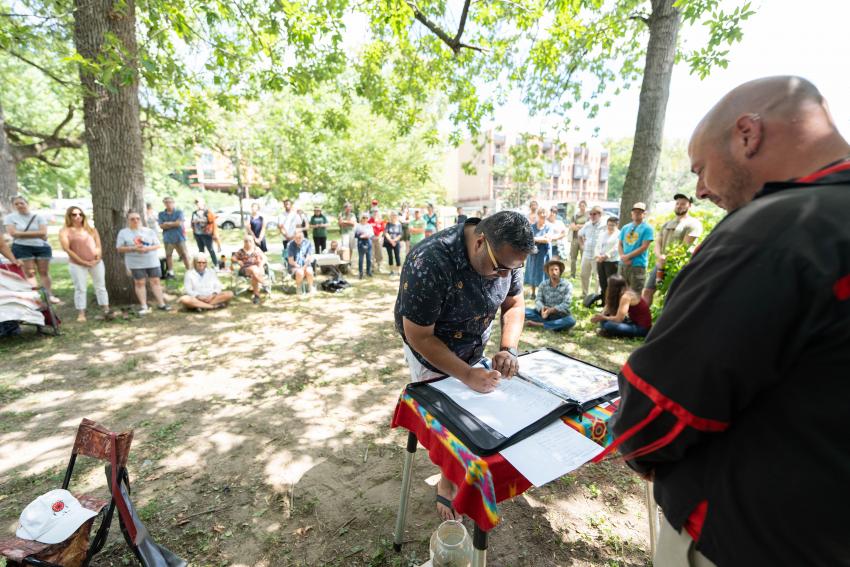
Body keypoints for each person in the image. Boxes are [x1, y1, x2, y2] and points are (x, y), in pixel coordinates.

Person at [608, 76, 850, 567]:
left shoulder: (776, 229)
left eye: (700, 169)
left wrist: (633, 443)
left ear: (747, 134)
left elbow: (658, 408)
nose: (699, 190)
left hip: (743, 536)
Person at [395, 211, 533, 521]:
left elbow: (514, 303)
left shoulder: (507, 255)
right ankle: (448, 481)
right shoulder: (430, 260)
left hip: (473, 340)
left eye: (512, 269)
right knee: (451, 424)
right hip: (431, 347)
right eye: (499, 267)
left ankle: (454, 474)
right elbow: (419, 334)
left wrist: (508, 348)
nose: (504, 275)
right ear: (481, 242)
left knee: (475, 416)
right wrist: (467, 373)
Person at [642, 193, 703, 304]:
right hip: (660, 263)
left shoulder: (693, 224)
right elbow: (658, 242)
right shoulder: (667, 224)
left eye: (683, 204)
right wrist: (659, 257)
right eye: (677, 203)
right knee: (647, 290)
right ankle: (644, 320)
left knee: (671, 296)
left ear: (689, 206)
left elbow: (685, 247)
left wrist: (666, 259)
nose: (679, 206)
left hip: (678, 265)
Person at [58, 206, 111, 322]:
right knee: (80, 288)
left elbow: (98, 245)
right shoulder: (65, 231)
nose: (78, 217)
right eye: (74, 214)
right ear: (69, 216)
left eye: (80, 214)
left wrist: (97, 258)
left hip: (96, 263)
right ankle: (81, 313)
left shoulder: (91, 229)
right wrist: (83, 262)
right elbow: (67, 249)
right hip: (77, 264)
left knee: (101, 286)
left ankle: (106, 309)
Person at [4, 196, 59, 303]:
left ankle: (49, 295)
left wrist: (21, 234)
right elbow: (13, 233)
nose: (19, 205)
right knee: (30, 273)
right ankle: (36, 297)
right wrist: (36, 234)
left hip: (42, 247)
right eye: (16, 204)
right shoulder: (10, 217)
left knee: (44, 272)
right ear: (13, 206)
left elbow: (43, 232)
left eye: (21, 203)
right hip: (22, 247)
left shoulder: (38, 216)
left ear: (27, 203)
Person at [116, 211, 170, 314]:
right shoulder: (123, 232)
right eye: (132, 219)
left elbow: (158, 245)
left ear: (141, 219)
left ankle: (162, 304)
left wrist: (147, 249)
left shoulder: (149, 231)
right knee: (139, 283)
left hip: (151, 260)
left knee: (155, 281)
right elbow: (119, 248)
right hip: (135, 262)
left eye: (137, 218)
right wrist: (133, 248)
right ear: (128, 221)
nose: (135, 220)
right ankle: (144, 306)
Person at [590, 274, 651, 338]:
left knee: (609, 325)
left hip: (642, 329)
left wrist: (602, 317)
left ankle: (608, 331)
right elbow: (608, 308)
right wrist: (600, 316)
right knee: (604, 320)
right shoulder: (621, 293)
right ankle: (607, 331)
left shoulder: (626, 296)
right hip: (632, 322)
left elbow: (619, 319)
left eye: (609, 286)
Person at [524, 259, 576, 332]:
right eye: (551, 270)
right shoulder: (543, 284)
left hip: (560, 315)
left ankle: (539, 324)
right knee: (523, 310)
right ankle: (553, 325)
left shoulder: (567, 285)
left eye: (556, 269)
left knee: (571, 321)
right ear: (548, 272)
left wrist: (551, 310)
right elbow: (538, 300)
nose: (554, 272)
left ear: (560, 271)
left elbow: (566, 303)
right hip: (543, 314)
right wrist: (542, 308)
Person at [617, 202, 654, 293]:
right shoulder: (626, 227)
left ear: (644, 214)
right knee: (621, 290)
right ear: (631, 213)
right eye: (634, 211)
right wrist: (622, 256)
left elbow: (644, 247)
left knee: (635, 292)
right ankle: (621, 307)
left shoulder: (647, 228)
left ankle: (633, 308)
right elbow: (620, 244)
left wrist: (628, 257)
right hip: (623, 264)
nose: (636, 213)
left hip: (637, 265)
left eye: (640, 212)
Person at [158, 196, 190, 278]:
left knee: (184, 255)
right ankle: (171, 272)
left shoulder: (179, 212)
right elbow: (161, 226)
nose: (168, 204)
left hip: (179, 237)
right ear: (164, 204)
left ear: (173, 203)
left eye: (170, 202)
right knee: (168, 255)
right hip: (168, 238)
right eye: (166, 202)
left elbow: (179, 224)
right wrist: (173, 224)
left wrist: (167, 224)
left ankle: (189, 271)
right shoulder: (161, 214)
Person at [578, 206, 606, 298]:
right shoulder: (587, 224)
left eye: (594, 214)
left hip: (597, 255)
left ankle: (597, 296)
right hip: (586, 254)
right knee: (583, 275)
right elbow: (579, 234)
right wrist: (582, 245)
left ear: (600, 215)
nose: (592, 216)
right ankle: (584, 294)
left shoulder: (604, 226)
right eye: (591, 214)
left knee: (597, 277)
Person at [231, 235, 268, 305]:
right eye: (246, 241)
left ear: (253, 242)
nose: (248, 243)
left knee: (254, 274)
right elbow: (233, 258)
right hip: (245, 269)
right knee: (254, 269)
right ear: (244, 242)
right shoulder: (241, 251)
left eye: (250, 241)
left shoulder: (257, 249)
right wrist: (238, 261)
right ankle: (264, 283)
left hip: (258, 269)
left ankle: (256, 296)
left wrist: (261, 265)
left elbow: (264, 258)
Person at [525, 208, 551, 299]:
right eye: (541, 214)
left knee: (544, 272)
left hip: (544, 253)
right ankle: (533, 293)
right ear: (538, 215)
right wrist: (540, 238)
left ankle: (542, 293)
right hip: (533, 254)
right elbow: (528, 238)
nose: (543, 215)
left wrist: (535, 238)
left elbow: (547, 239)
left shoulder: (549, 227)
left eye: (544, 214)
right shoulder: (532, 227)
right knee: (533, 271)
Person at [594, 216, 620, 308]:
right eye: (608, 225)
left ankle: (611, 304)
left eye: (612, 225)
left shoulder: (619, 235)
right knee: (602, 282)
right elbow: (597, 245)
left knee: (611, 283)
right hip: (600, 261)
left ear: (617, 225)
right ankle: (604, 301)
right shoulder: (602, 234)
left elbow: (616, 248)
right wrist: (597, 255)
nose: (610, 227)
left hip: (612, 261)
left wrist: (606, 256)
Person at [287, 230, 315, 295]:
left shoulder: (308, 243)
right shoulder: (290, 245)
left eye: (300, 238)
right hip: (294, 266)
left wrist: (304, 266)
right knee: (300, 272)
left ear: (303, 237)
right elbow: (291, 261)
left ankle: (310, 287)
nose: (298, 239)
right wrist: (298, 266)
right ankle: (298, 287)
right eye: (296, 238)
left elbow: (309, 257)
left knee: (309, 271)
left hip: (306, 264)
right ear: (294, 237)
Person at [190, 198, 218, 265]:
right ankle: (202, 265)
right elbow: (192, 222)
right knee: (201, 251)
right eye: (196, 203)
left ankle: (216, 264)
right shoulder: (194, 213)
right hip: (198, 234)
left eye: (199, 202)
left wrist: (200, 220)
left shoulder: (207, 212)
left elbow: (212, 220)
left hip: (206, 234)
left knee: (211, 250)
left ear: (203, 203)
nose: (198, 204)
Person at [568, 200, 588, 278]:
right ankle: (572, 274)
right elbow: (573, 227)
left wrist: (578, 225)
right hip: (575, 239)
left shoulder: (589, 216)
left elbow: (588, 227)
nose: (582, 207)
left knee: (584, 258)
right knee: (573, 258)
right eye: (581, 205)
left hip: (584, 239)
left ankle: (583, 274)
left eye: (583, 205)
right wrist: (582, 226)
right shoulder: (575, 216)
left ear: (586, 206)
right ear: (579, 206)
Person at [354, 212, 373, 278]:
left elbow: (371, 234)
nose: (365, 219)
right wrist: (361, 235)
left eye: (366, 218)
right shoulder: (358, 225)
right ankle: (361, 272)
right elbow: (356, 234)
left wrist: (366, 235)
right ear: (361, 218)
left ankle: (368, 271)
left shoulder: (369, 225)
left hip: (368, 242)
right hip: (361, 242)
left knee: (369, 258)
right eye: (363, 217)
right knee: (361, 259)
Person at [383, 211, 403, 275]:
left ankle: (399, 271)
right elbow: (386, 233)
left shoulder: (399, 224)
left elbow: (400, 234)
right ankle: (391, 271)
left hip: (396, 242)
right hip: (388, 242)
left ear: (397, 216)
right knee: (390, 256)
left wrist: (394, 241)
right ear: (390, 216)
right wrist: (391, 241)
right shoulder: (388, 224)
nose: (394, 216)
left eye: (395, 215)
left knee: (397, 256)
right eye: (392, 215)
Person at [368, 209, 385, 274]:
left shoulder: (381, 221)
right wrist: (372, 237)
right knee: (372, 253)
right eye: (374, 212)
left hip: (379, 239)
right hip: (371, 239)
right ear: (372, 213)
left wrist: (379, 237)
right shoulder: (369, 221)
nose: (375, 213)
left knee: (379, 253)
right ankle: (372, 267)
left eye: (376, 212)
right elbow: (368, 229)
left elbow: (382, 230)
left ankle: (379, 267)